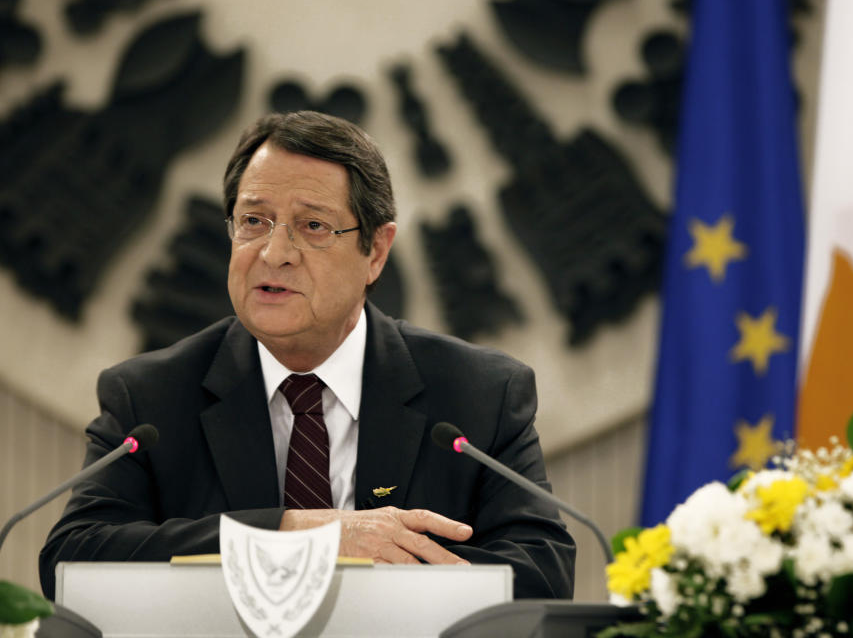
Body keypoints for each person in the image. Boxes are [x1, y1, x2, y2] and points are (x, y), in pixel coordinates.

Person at [39, 111, 576, 600]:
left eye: (313, 226)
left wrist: (370, 574)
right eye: (254, 222)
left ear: (377, 252)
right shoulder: (149, 397)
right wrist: (298, 533)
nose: (274, 254)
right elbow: (72, 559)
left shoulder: (480, 393)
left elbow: (542, 574)